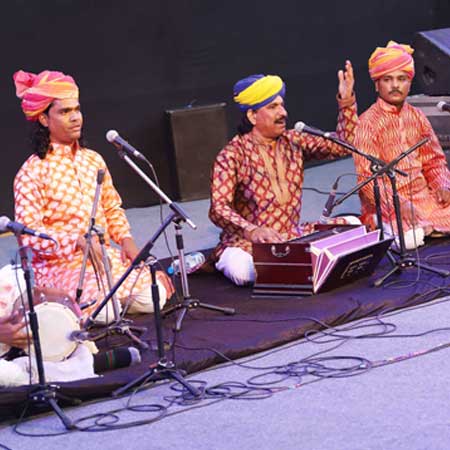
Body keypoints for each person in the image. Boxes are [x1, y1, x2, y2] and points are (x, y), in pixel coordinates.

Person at [12, 69, 174, 321]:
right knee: (106, 312)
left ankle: (110, 298)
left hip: (104, 259)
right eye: (64, 112)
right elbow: (27, 234)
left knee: (153, 297)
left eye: (76, 110)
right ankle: (89, 304)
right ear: (44, 119)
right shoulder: (32, 172)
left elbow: (112, 207)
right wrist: (75, 241)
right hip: (61, 267)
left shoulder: (93, 160)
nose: (75, 118)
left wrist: (127, 240)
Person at [209, 62, 358, 285]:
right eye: (273, 107)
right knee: (243, 271)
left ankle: (295, 265)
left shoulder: (293, 141)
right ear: (252, 115)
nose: (283, 113)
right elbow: (218, 208)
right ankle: (299, 265)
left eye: (282, 105)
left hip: (290, 237)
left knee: (354, 224)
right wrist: (252, 230)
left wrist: (346, 104)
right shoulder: (232, 154)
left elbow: (344, 145)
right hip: (245, 244)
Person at [351, 41, 450, 250]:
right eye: (388, 79)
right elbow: (368, 181)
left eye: (401, 79)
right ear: (377, 85)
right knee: (411, 238)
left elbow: (434, 160)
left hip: (425, 197)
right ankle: (395, 228)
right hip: (392, 203)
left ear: (409, 83)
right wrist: (399, 204)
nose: (395, 85)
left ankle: (429, 227)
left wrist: (442, 184)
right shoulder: (367, 123)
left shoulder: (417, 116)